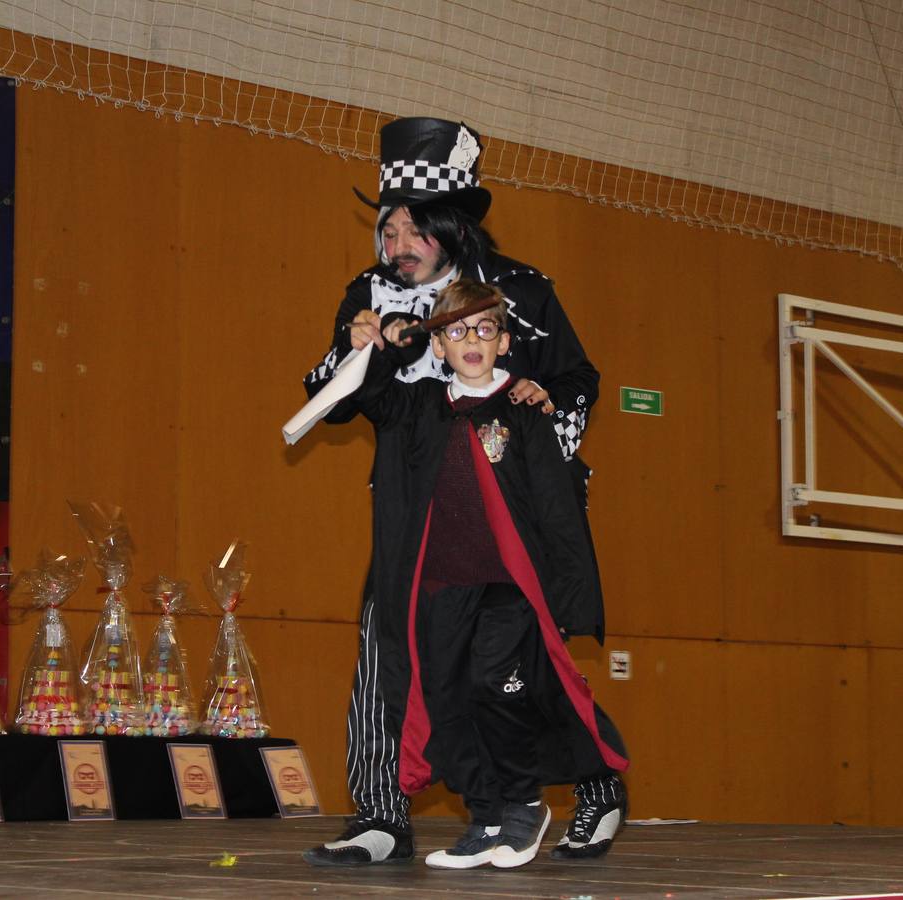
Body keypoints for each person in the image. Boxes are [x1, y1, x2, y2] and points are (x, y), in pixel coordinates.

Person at [300, 116, 628, 867]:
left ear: (448, 227)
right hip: (413, 507)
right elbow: (331, 399)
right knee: (392, 646)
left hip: (511, 505)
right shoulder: (369, 294)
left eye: (412, 232)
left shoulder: (519, 292)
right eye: (387, 233)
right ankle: (382, 814)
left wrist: (535, 440)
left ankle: (598, 783)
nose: (396, 248)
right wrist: (354, 351)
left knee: (517, 662)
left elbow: (579, 381)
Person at [346, 279, 629, 869]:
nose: (471, 340)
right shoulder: (423, 403)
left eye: (484, 329)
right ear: (439, 346)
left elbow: (554, 505)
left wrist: (566, 594)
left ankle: (526, 805)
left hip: (508, 586)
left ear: (504, 343)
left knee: (495, 684)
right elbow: (371, 397)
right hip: (442, 586)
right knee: (446, 700)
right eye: (455, 331)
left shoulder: (524, 408)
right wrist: (386, 345)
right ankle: (488, 817)